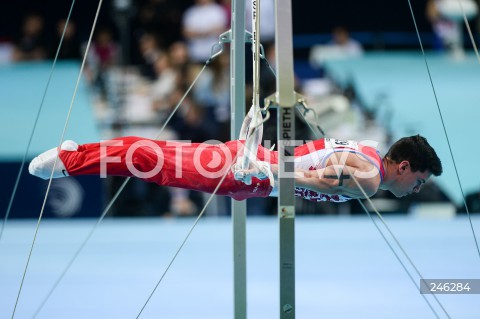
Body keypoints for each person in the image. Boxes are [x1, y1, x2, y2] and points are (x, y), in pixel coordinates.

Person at [29, 134, 442, 203]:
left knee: (155, 156)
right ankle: (68, 162)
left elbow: (327, 163)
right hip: (249, 170)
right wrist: (267, 172)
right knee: (150, 162)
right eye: (419, 181)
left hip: (252, 159)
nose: (415, 189)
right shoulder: (370, 181)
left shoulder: (368, 152)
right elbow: (324, 178)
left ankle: (77, 153)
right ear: (404, 166)